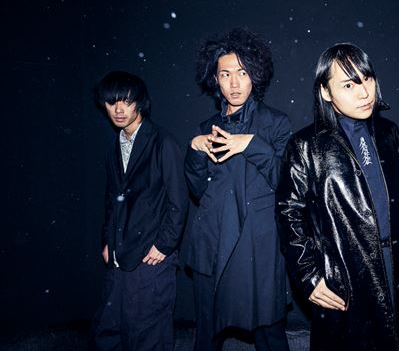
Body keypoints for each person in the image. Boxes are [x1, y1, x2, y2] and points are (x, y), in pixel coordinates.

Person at [276, 43, 399, 351]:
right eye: (348, 85)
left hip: (398, 266)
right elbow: (289, 214)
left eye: (367, 79)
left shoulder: (389, 132)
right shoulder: (305, 145)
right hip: (346, 275)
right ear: (325, 92)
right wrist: (308, 275)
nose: (364, 93)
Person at [182, 28, 292, 351]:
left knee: (269, 334)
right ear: (215, 79)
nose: (234, 83)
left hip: (258, 248)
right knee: (207, 336)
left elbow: (288, 184)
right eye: (225, 74)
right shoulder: (207, 127)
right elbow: (198, 191)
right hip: (212, 245)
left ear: (254, 75)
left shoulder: (276, 123)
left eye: (242, 73)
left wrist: (251, 145)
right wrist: (194, 151)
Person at [91, 71, 188, 351]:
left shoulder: (162, 142)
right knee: (109, 329)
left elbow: (178, 201)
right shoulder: (114, 146)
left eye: (126, 101)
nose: (118, 109)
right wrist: (107, 240)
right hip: (119, 254)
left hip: (151, 256)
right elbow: (111, 200)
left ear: (140, 103)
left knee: (148, 333)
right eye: (112, 102)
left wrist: (164, 245)